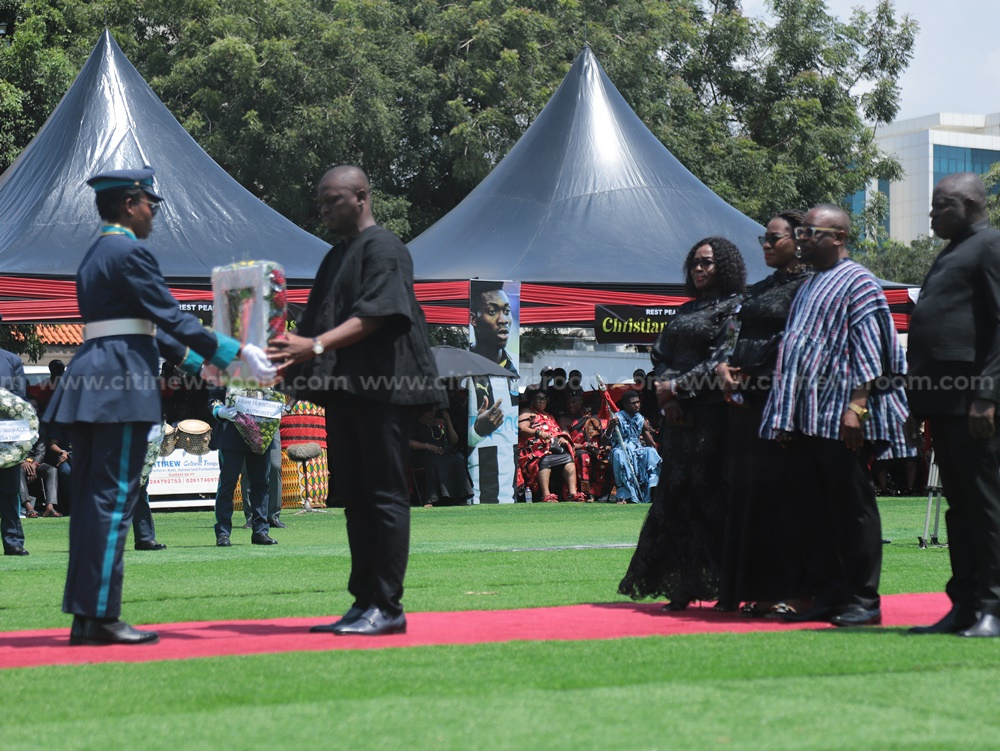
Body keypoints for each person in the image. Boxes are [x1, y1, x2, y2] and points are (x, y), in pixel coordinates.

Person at [43, 166, 276, 647]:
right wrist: (234, 353)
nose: (154, 213)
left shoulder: (97, 253)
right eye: (151, 203)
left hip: (94, 379)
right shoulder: (130, 251)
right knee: (113, 502)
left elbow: (154, 331)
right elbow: (168, 316)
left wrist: (206, 364)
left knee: (93, 503)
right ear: (130, 204)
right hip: (120, 387)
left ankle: (87, 615)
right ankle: (102, 618)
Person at [268, 165, 445, 637]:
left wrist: (315, 346)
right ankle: (363, 601)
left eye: (333, 200)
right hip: (349, 391)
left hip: (388, 388)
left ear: (362, 197)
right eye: (320, 202)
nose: (324, 210)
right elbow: (315, 322)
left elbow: (378, 314)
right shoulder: (335, 256)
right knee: (355, 498)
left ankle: (387, 606)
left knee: (384, 494)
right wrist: (277, 357)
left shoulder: (384, 247)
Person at [759, 204, 911, 628]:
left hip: (841, 418)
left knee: (852, 509)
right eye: (801, 231)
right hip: (806, 419)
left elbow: (874, 350)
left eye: (810, 231)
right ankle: (828, 594)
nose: (801, 238)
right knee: (814, 511)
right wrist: (786, 418)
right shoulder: (812, 283)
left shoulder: (858, 281)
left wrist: (856, 408)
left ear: (839, 237)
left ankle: (863, 599)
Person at [618, 237, 745, 609]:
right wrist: (665, 393)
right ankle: (683, 582)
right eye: (694, 263)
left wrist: (677, 389)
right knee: (676, 500)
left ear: (725, 265)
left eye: (707, 262)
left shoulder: (736, 309)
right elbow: (660, 356)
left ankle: (725, 585)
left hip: (713, 417)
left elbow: (723, 359)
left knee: (713, 500)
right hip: (677, 422)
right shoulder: (685, 310)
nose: (699, 269)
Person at [907, 172, 1000, 637]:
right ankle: (964, 604)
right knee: (959, 509)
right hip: (943, 403)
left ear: (967, 204)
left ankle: (993, 607)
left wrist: (988, 394)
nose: (931, 214)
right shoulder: (951, 251)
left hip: (974, 403)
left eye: (939, 206)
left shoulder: (990, 246)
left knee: (986, 506)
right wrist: (917, 402)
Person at [716, 210, 813, 616]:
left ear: (799, 241)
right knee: (750, 499)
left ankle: (792, 592)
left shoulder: (809, 287)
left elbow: (800, 342)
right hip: (745, 405)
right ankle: (755, 588)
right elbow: (731, 334)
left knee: (784, 502)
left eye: (775, 238)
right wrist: (723, 367)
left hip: (784, 401)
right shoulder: (758, 289)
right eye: (764, 240)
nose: (767, 245)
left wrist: (754, 373)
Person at [208, 387, 277, 547]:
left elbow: (277, 393)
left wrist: (280, 407)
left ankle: (260, 531)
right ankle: (223, 533)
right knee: (227, 484)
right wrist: (219, 411)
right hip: (232, 433)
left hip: (261, 432)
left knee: (261, 484)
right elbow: (214, 398)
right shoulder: (225, 367)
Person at [517, 390, 585, 502]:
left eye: (544, 399)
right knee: (544, 458)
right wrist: (538, 433)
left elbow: (557, 431)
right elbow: (522, 429)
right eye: (539, 398)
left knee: (568, 459)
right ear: (532, 401)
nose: (542, 401)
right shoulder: (527, 412)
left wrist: (562, 438)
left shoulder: (548, 416)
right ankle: (546, 494)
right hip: (533, 448)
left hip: (552, 446)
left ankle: (572, 493)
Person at [408, 407, 473, 506]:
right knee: (435, 463)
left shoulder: (440, 422)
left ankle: (460, 497)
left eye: (433, 409)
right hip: (423, 454)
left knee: (457, 460)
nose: (431, 411)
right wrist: (427, 446)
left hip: (442, 453)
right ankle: (430, 499)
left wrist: (447, 420)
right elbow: (408, 442)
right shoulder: (415, 423)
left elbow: (454, 441)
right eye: (428, 408)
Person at [606, 390, 661, 504]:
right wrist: (611, 427)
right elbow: (604, 441)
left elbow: (649, 441)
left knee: (650, 452)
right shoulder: (617, 418)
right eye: (633, 403)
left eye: (638, 402)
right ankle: (623, 494)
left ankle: (653, 490)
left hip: (637, 449)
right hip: (621, 448)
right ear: (625, 404)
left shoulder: (641, 419)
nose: (637, 405)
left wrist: (655, 454)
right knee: (618, 455)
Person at [1, 348, 29, 556]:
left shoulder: (11, 359)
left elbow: (20, 397)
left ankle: (13, 542)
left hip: (6, 435)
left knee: (10, 491)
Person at [470, 283, 518, 376]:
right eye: (492, 311)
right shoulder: (463, 361)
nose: (503, 320)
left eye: (507, 311)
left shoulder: (515, 365)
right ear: (474, 319)